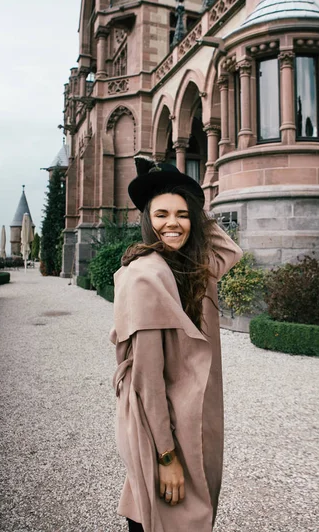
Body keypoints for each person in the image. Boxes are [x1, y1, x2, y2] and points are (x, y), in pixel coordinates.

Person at [110, 158, 243, 532]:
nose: (173, 223)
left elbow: (229, 251)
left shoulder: (189, 268)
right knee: (166, 513)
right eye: (162, 214)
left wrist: (181, 189)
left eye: (183, 215)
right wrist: (166, 456)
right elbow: (147, 380)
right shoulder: (145, 276)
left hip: (191, 418)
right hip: (165, 426)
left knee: (173, 510)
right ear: (146, 220)